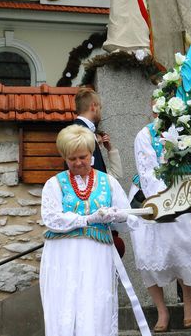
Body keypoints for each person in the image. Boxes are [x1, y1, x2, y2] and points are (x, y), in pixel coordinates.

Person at [39, 125, 138, 336]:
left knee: (96, 304)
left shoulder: (108, 182)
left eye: (82, 157)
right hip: (63, 256)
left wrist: (118, 216)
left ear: (91, 153)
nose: (77, 163)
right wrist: (87, 219)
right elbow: (51, 218)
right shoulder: (53, 184)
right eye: (71, 158)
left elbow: (128, 219)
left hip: (97, 256)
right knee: (65, 305)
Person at [129, 114, 191, 332]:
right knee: (146, 251)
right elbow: (147, 170)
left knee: (182, 244)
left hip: (182, 192)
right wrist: (162, 200)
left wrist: (179, 197)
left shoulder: (189, 131)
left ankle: (188, 295)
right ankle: (162, 309)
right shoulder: (145, 134)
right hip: (150, 195)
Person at [73, 87, 122, 179]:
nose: (100, 111)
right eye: (100, 107)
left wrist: (110, 149)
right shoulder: (80, 132)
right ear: (93, 106)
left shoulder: (85, 130)